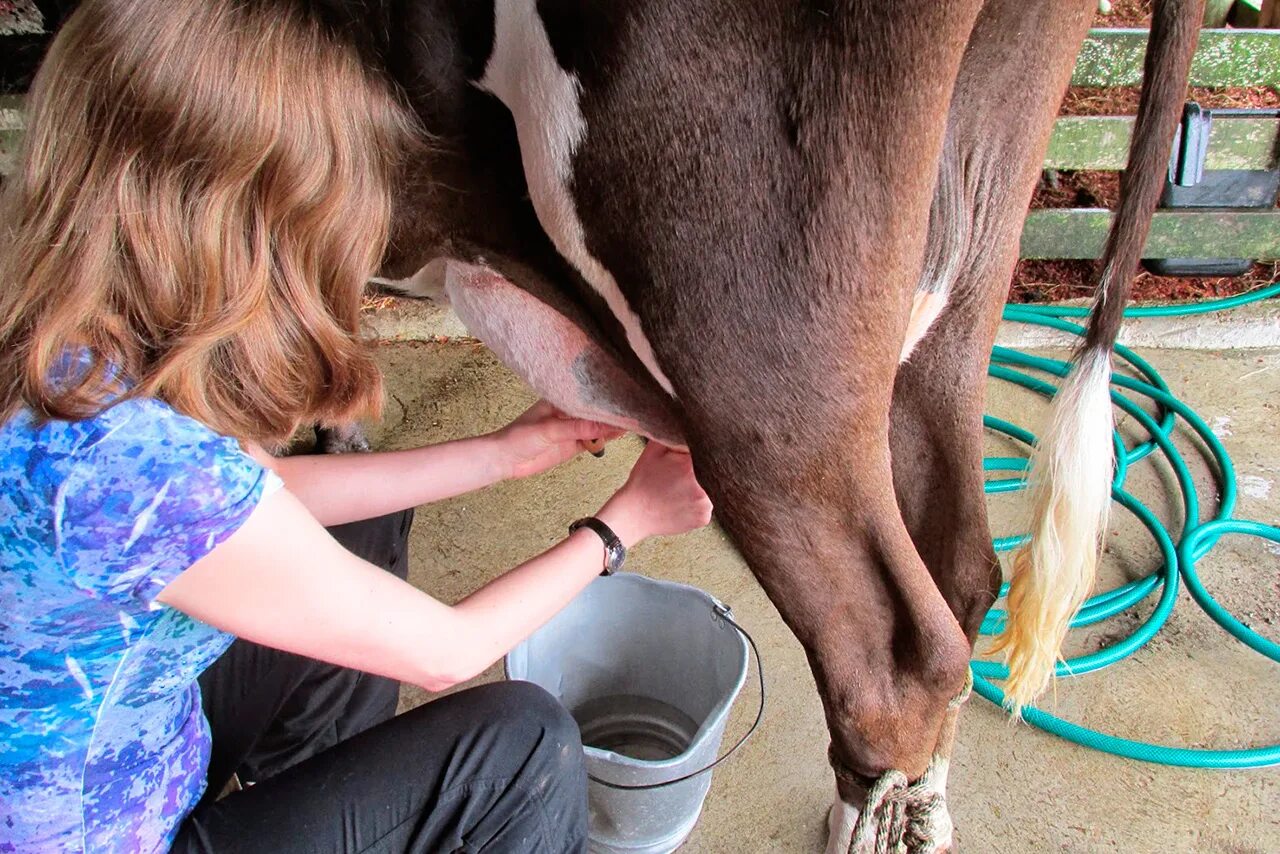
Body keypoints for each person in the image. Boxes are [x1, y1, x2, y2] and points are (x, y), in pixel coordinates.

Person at [0, 1, 714, 852]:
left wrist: (503, 453)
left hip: (128, 736)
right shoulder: (133, 465)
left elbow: (256, 506)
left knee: (359, 531)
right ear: (233, 221)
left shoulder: (60, 341)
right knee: (522, 751)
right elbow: (448, 651)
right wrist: (620, 524)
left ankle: (328, 796)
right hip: (108, 834)